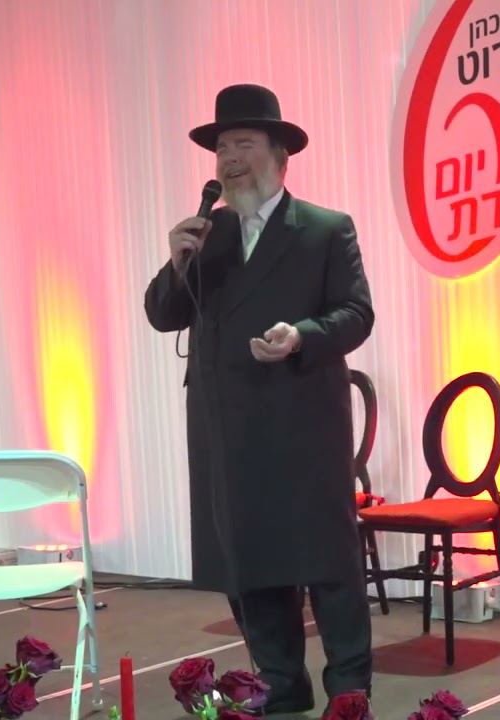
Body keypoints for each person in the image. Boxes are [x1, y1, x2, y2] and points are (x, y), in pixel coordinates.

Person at [143, 84, 376, 715]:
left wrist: (302, 335)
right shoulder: (207, 234)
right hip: (225, 422)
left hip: (302, 417)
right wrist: (176, 262)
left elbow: (357, 314)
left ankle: (348, 686)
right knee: (248, 557)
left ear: (279, 155)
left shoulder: (324, 229)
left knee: (326, 559)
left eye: (243, 144)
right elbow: (163, 315)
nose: (229, 159)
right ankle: (280, 679)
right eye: (221, 148)